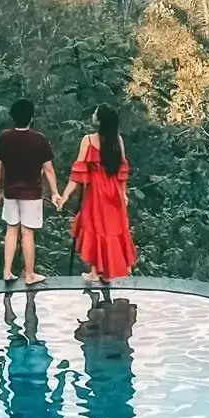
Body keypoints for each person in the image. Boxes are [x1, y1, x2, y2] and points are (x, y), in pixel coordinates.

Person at [60, 104, 137, 302]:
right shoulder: (116, 140)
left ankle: (95, 272)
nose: (92, 115)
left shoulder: (88, 140)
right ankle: (106, 272)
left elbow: (78, 172)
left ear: (99, 120)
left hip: (96, 191)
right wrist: (123, 194)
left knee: (94, 228)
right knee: (111, 230)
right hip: (114, 193)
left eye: (95, 113)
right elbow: (122, 170)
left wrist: (65, 195)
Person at [0, 98, 60, 290]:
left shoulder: (5, 137)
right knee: (28, 233)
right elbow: (49, 170)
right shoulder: (39, 139)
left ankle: (7, 271)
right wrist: (55, 192)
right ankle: (29, 274)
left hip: (11, 192)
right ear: (31, 117)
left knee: (11, 229)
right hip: (32, 193)